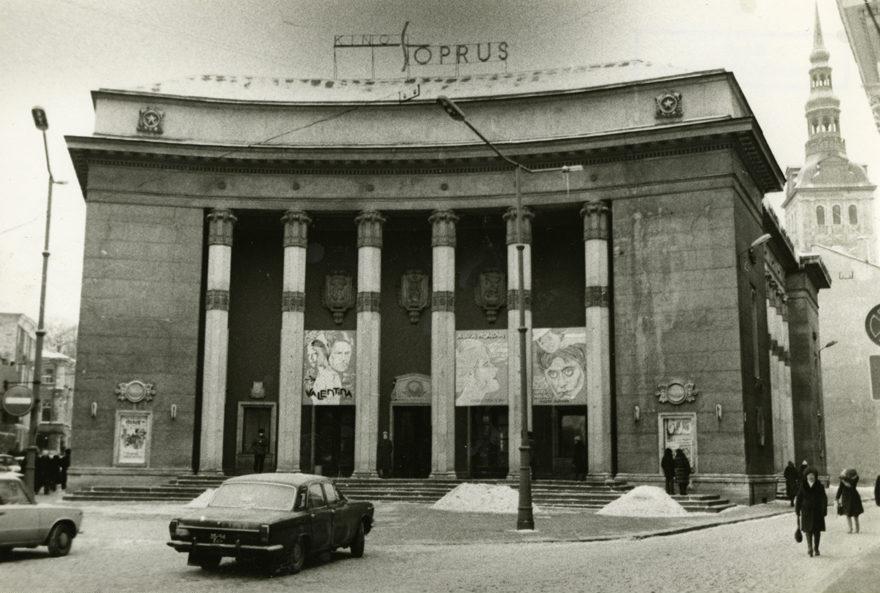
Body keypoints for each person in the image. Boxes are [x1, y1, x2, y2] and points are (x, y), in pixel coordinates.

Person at [796, 467, 827, 557]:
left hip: (817, 512)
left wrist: (824, 509)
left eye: (812, 475)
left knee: (817, 531)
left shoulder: (819, 486)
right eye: (809, 475)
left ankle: (816, 548)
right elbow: (799, 499)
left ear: (815, 476)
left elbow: (824, 498)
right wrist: (797, 510)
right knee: (807, 530)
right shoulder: (803, 486)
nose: (811, 477)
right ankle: (810, 548)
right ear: (806, 476)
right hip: (806, 511)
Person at [836, 469, 864, 534]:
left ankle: (857, 529)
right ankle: (850, 529)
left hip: (854, 498)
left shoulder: (855, 479)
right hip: (846, 498)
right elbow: (840, 489)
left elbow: (850, 486)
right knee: (847, 513)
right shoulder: (843, 480)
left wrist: (843, 480)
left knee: (855, 514)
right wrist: (837, 497)